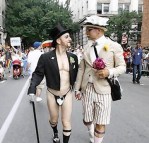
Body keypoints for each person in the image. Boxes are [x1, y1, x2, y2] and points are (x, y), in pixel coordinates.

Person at [74, 15, 126, 143]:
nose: (86, 32)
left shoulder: (114, 46)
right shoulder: (86, 47)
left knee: (101, 122)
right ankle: (90, 131)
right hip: (87, 89)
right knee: (87, 119)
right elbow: (82, 69)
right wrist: (77, 88)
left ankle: (97, 140)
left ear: (98, 30)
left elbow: (122, 67)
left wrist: (109, 71)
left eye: (88, 29)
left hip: (104, 89)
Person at [28, 23, 78, 143]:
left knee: (66, 122)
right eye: (66, 37)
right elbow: (38, 74)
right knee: (54, 120)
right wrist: (32, 87)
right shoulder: (45, 57)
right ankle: (55, 132)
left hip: (67, 93)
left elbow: (76, 75)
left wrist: (78, 89)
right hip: (52, 93)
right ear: (59, 40)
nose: (70, 39)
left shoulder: (73, 57)